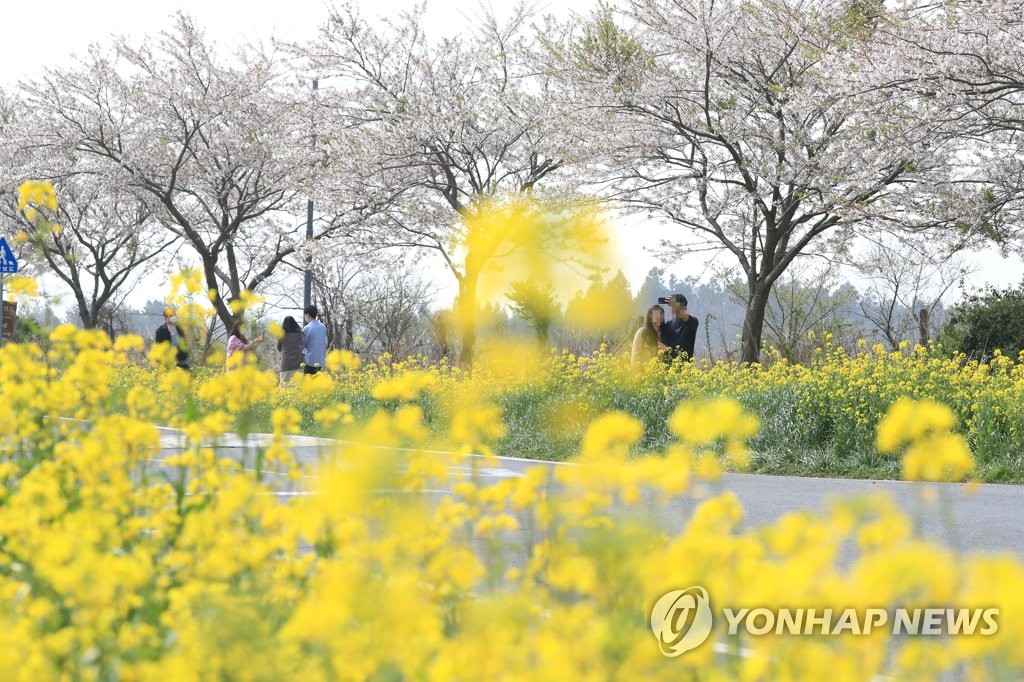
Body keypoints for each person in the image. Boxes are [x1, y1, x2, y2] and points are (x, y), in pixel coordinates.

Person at [660, 294, 699, 362]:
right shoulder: (668, 325)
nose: (672, 306)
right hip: (669, 365)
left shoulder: (692, 322)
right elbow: (663, 346)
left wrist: (676, 303)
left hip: (685, 366)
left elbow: (684, 314)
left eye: (675, 304)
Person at [301, 304, 327, 375]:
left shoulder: (307, 328)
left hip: (310, 362)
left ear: (307, 315)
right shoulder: (323, 327)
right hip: (320, 361)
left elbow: (302, 345)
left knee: (308, 384)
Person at [278, 316, 303, 384]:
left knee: (284, 384)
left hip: (286, 363)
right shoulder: (299, 334)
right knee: (298, 385)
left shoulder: (282, 335)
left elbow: (279, 348)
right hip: (298, 362)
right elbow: (302, 346)